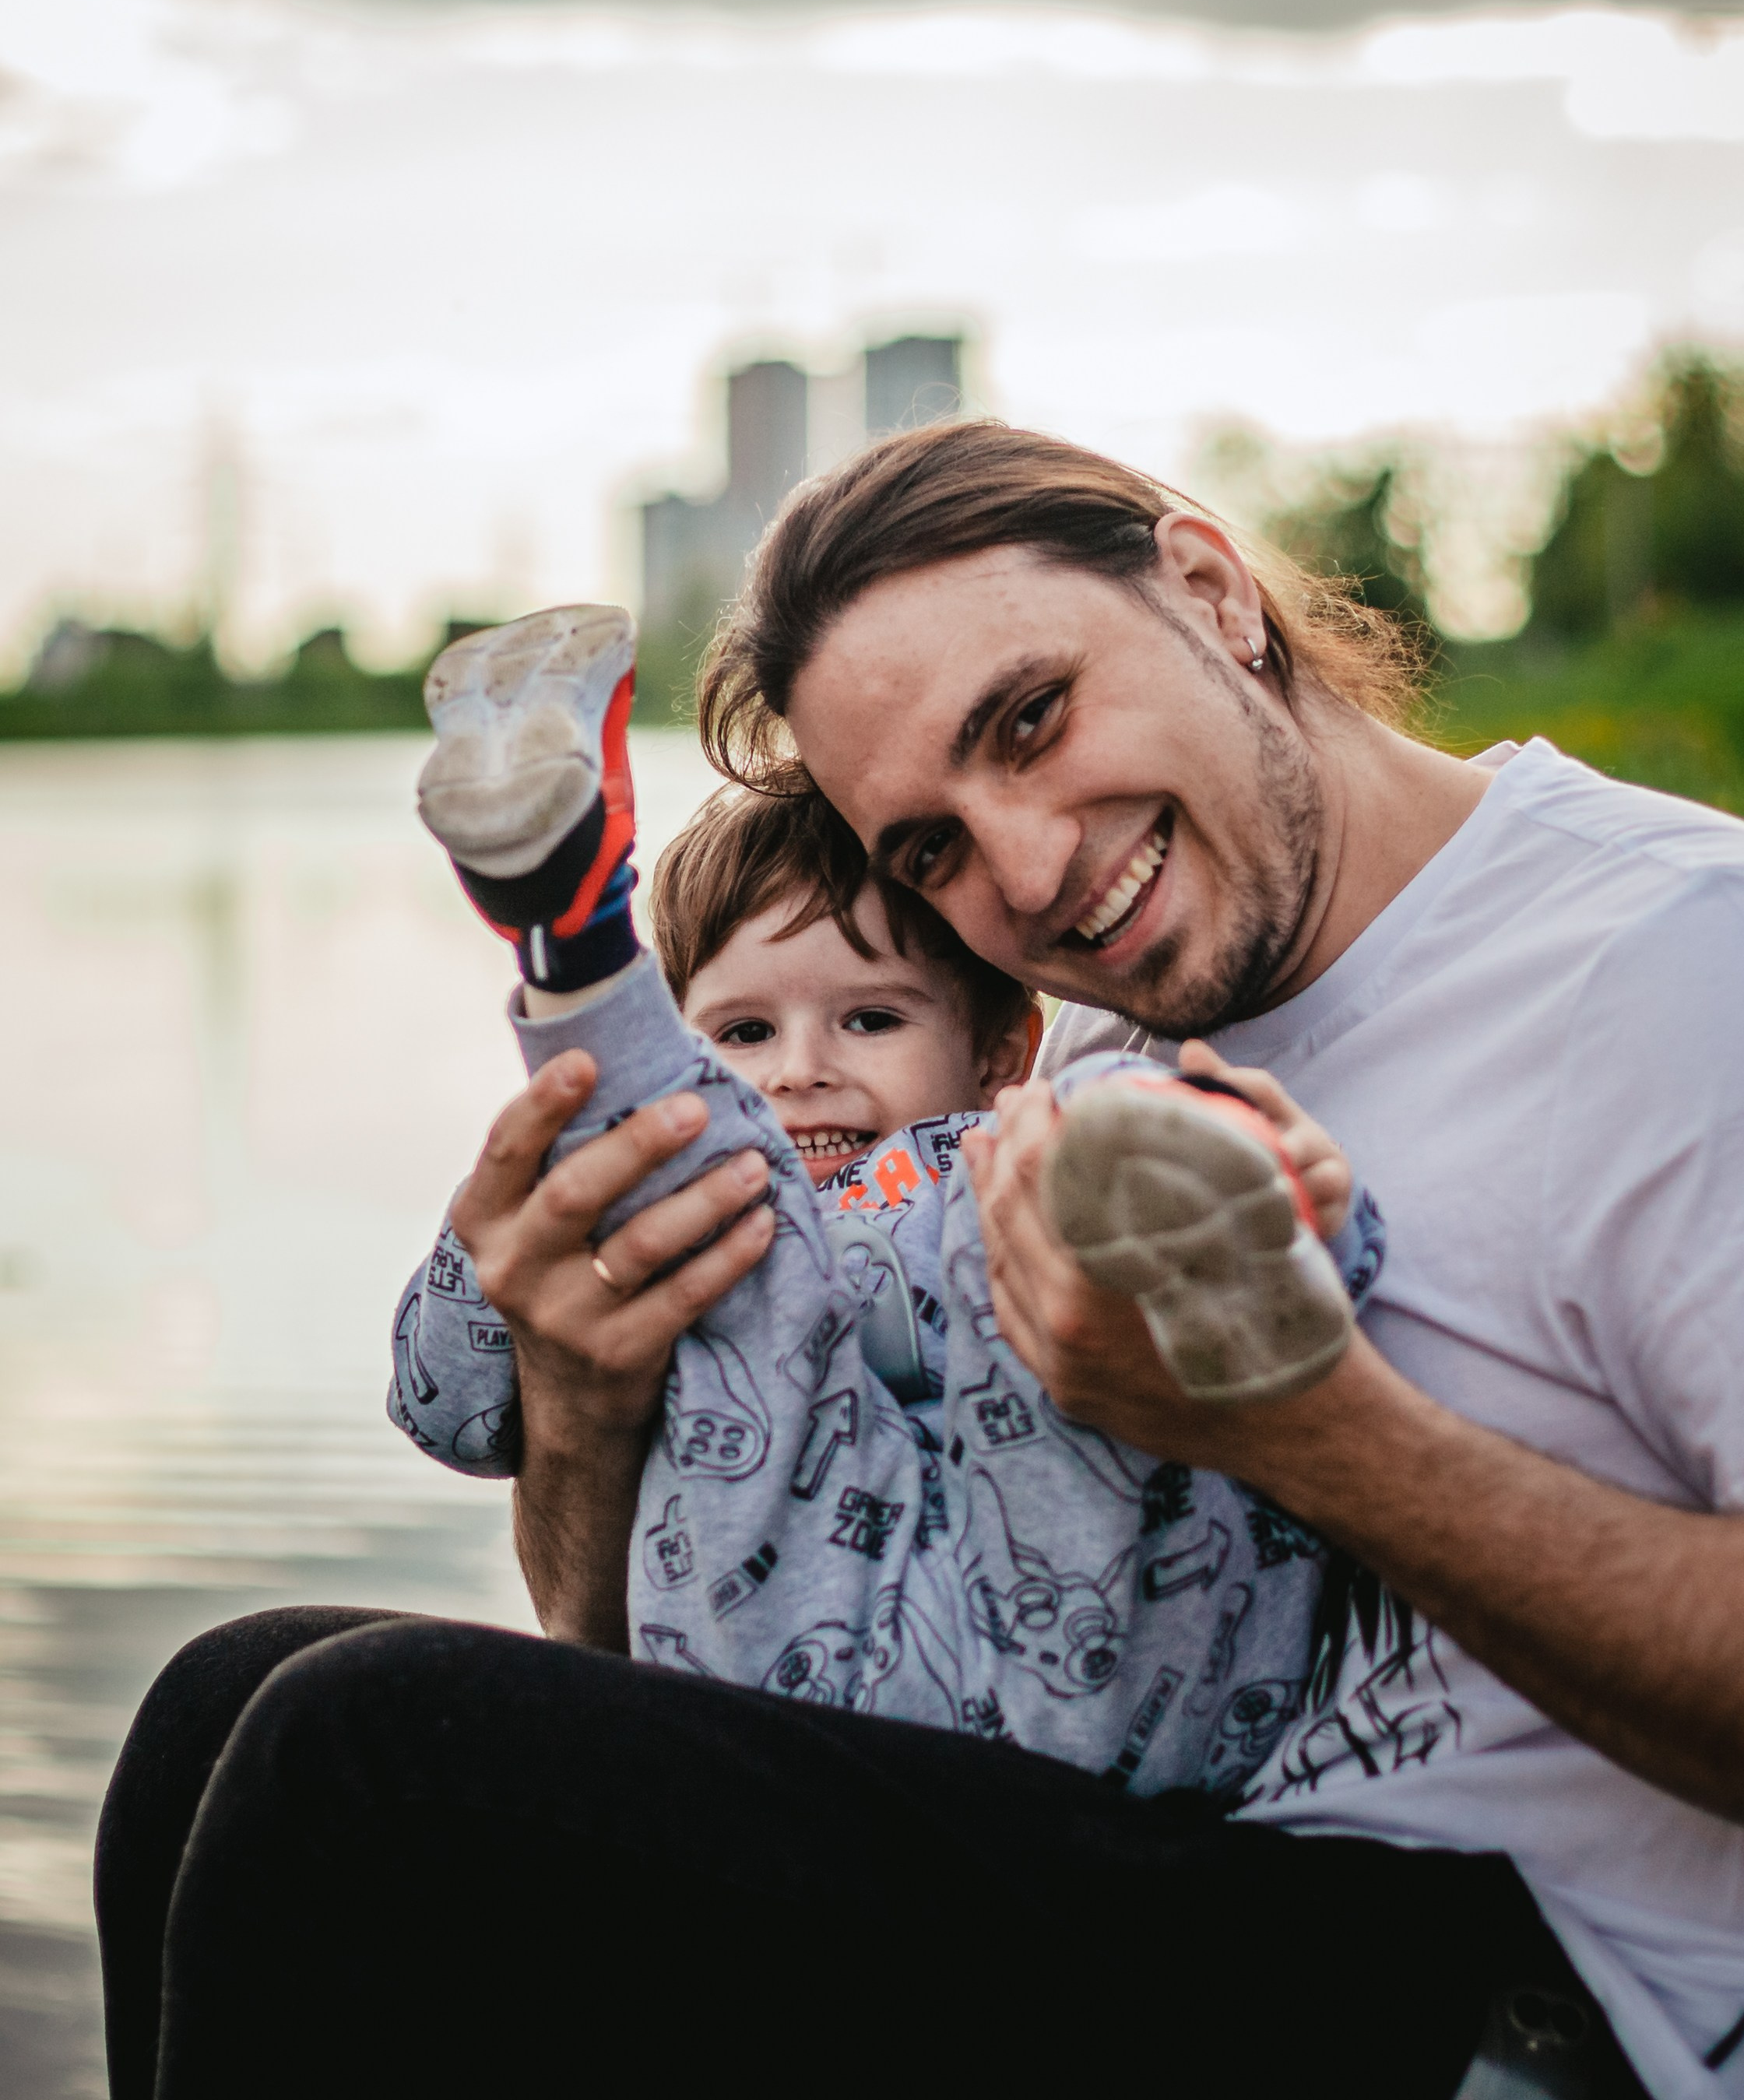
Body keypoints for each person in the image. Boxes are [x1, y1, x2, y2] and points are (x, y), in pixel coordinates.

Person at [94, 423, 1687, 2100]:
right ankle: (573, 929)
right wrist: (578, 1391)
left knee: (363, 1756)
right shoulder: (1110, 997)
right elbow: (616, 1635)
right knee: (230, 1698)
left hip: (1486, 1986)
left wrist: (1282, 1404)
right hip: (1069, 1807)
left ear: (1213, 591)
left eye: (1031, 717)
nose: (1025, 865)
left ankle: (580, 942)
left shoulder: (1659, 966)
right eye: (929, 844)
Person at [391, 603, 1377, 1775]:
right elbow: (444, 1401)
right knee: (696, 1187)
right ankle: (575, 940)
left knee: (1041, 1161)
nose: (801, 1067)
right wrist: (529, 1220)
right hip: (793, 1700)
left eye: (869, 1018)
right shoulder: (697, 1232)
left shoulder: (972, 1158)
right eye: (744, 1031)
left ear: (1004, 1045)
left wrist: (1290, 1206)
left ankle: (1195, 1161)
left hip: (1109, 1703)